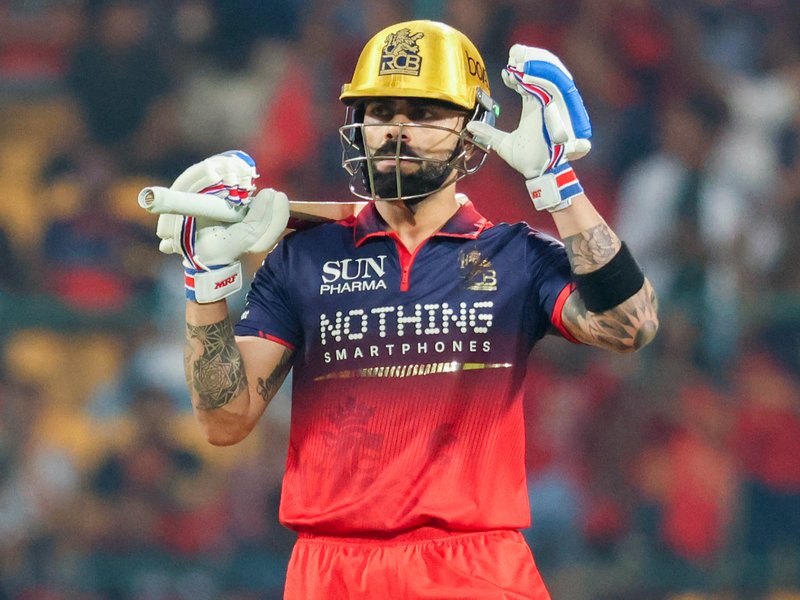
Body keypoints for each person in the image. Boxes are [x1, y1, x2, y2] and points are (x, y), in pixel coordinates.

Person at [151, 20, 659, 600]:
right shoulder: (302, 257)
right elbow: (224, 422)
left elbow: (632, 326)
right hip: (331, 571)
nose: (396, 129)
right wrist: (206, 283)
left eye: (422, 114)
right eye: (381, 111)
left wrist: (558, 184)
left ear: (471, 133)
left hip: (474, 567)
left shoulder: (516, 254)